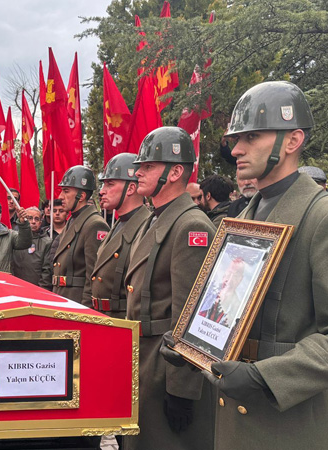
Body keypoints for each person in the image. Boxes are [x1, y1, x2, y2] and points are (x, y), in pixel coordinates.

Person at [166, 80, 328, 449]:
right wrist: (193, 345)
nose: (236, 150)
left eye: (251, 137)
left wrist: (267, 377)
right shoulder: (248, 213)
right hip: (236, 412)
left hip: (293, 424)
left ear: (292, 141)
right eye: (237, 139)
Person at [124, 126, 215, 450]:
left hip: (166, 367)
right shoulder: (156, 218)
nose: (138, 172)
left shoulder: (190, 225)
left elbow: (190, 317)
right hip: (146, 357)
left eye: (148, 166)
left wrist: (182, 389)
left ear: (175, 171)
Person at [90, 153, 150, 320]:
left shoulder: (146, 227)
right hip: (104, 318)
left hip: (122, 321)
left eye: (110, 184)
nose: (102, 191)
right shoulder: (119, 224)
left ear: (130, 188)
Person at [52, 166, 109, 307]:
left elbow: (93, 277)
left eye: (66, 191)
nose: (60, 197)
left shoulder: (94, 225)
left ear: (81, 196)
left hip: (77, 304)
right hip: (64, 299)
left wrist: (86, 311)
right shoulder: (73, 220)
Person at [11, 207, 52, 289]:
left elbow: (47, 271)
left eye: (36, 219)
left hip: (35, 289)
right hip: (14, 287)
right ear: (23, 219)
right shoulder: (14, 238)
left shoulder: (47, 242)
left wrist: (42, 290)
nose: (33, 222)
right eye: (29, 218)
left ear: (40, 222)